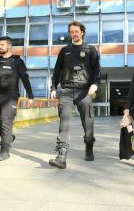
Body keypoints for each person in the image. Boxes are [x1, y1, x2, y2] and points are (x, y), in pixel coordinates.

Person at [49, 21, 101, 169]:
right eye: (72, 32)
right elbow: (57, 71)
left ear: (82, 32)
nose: (74, 34)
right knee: (63, 123)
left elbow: (97, 70)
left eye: (76, 31)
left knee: (88, 122)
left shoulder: (90, 50)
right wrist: (53, 87)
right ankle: (61, 156)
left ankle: (89, 145)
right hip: (66, 91)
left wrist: (95, 84)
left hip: (84, 91)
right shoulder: (64, 50)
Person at [0, 36, 34, 161]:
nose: (0, 47)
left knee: (5, 122)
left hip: (11, 96)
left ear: (9, 46)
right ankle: (8, 137)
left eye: (2, 45)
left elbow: (25, 78)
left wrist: (30, 95)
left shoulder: (17, 62)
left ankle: (4, 151)